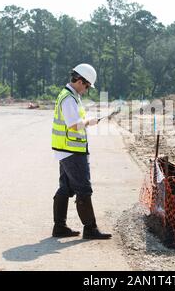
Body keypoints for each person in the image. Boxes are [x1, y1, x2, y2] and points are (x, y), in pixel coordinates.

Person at [51, 63, 112, 240]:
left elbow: (74, 119)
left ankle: (59, 227)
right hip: (72, 150)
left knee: (66, 188)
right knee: (84, 189)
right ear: (79, 80)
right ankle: (90, 229)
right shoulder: (69, 98)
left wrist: (86, 119)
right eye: (86, 85)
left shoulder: (71, 95)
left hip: (66, 149)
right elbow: (72, 124)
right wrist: (88, 122)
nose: (86, 89)